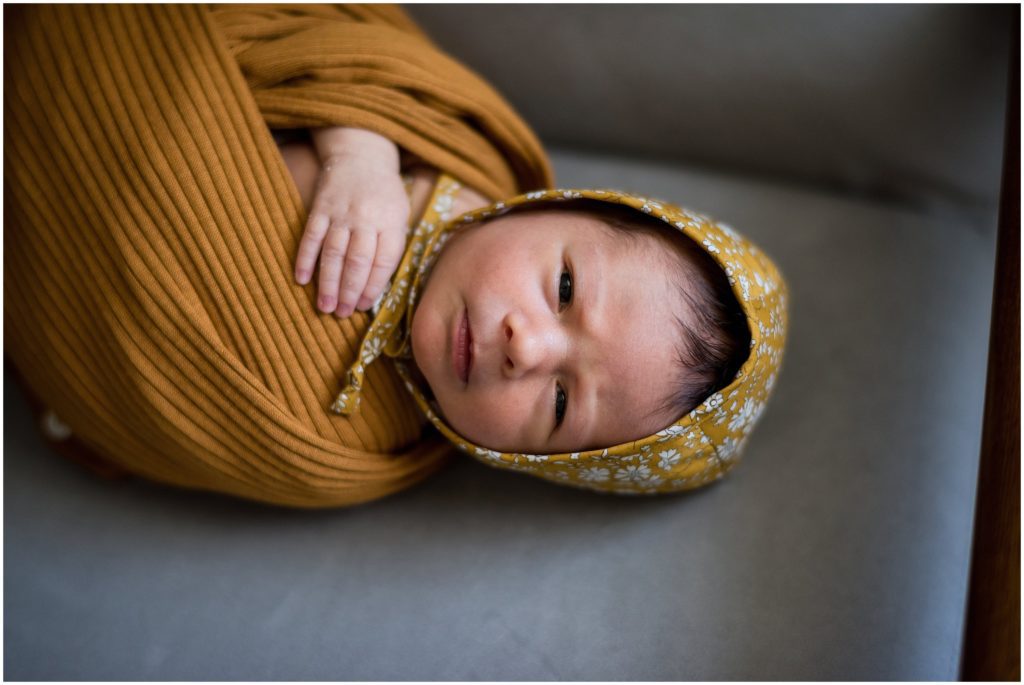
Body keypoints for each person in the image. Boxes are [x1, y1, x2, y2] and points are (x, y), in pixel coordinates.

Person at [5, 4, 785, 505]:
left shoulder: (347, 446)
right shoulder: (461, 145)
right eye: (566, 286)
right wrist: (360, 147)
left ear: (518, 460)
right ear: (560, 207)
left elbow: (159, 406)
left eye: (558, 403)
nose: (527, 346)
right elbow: (335, 42)